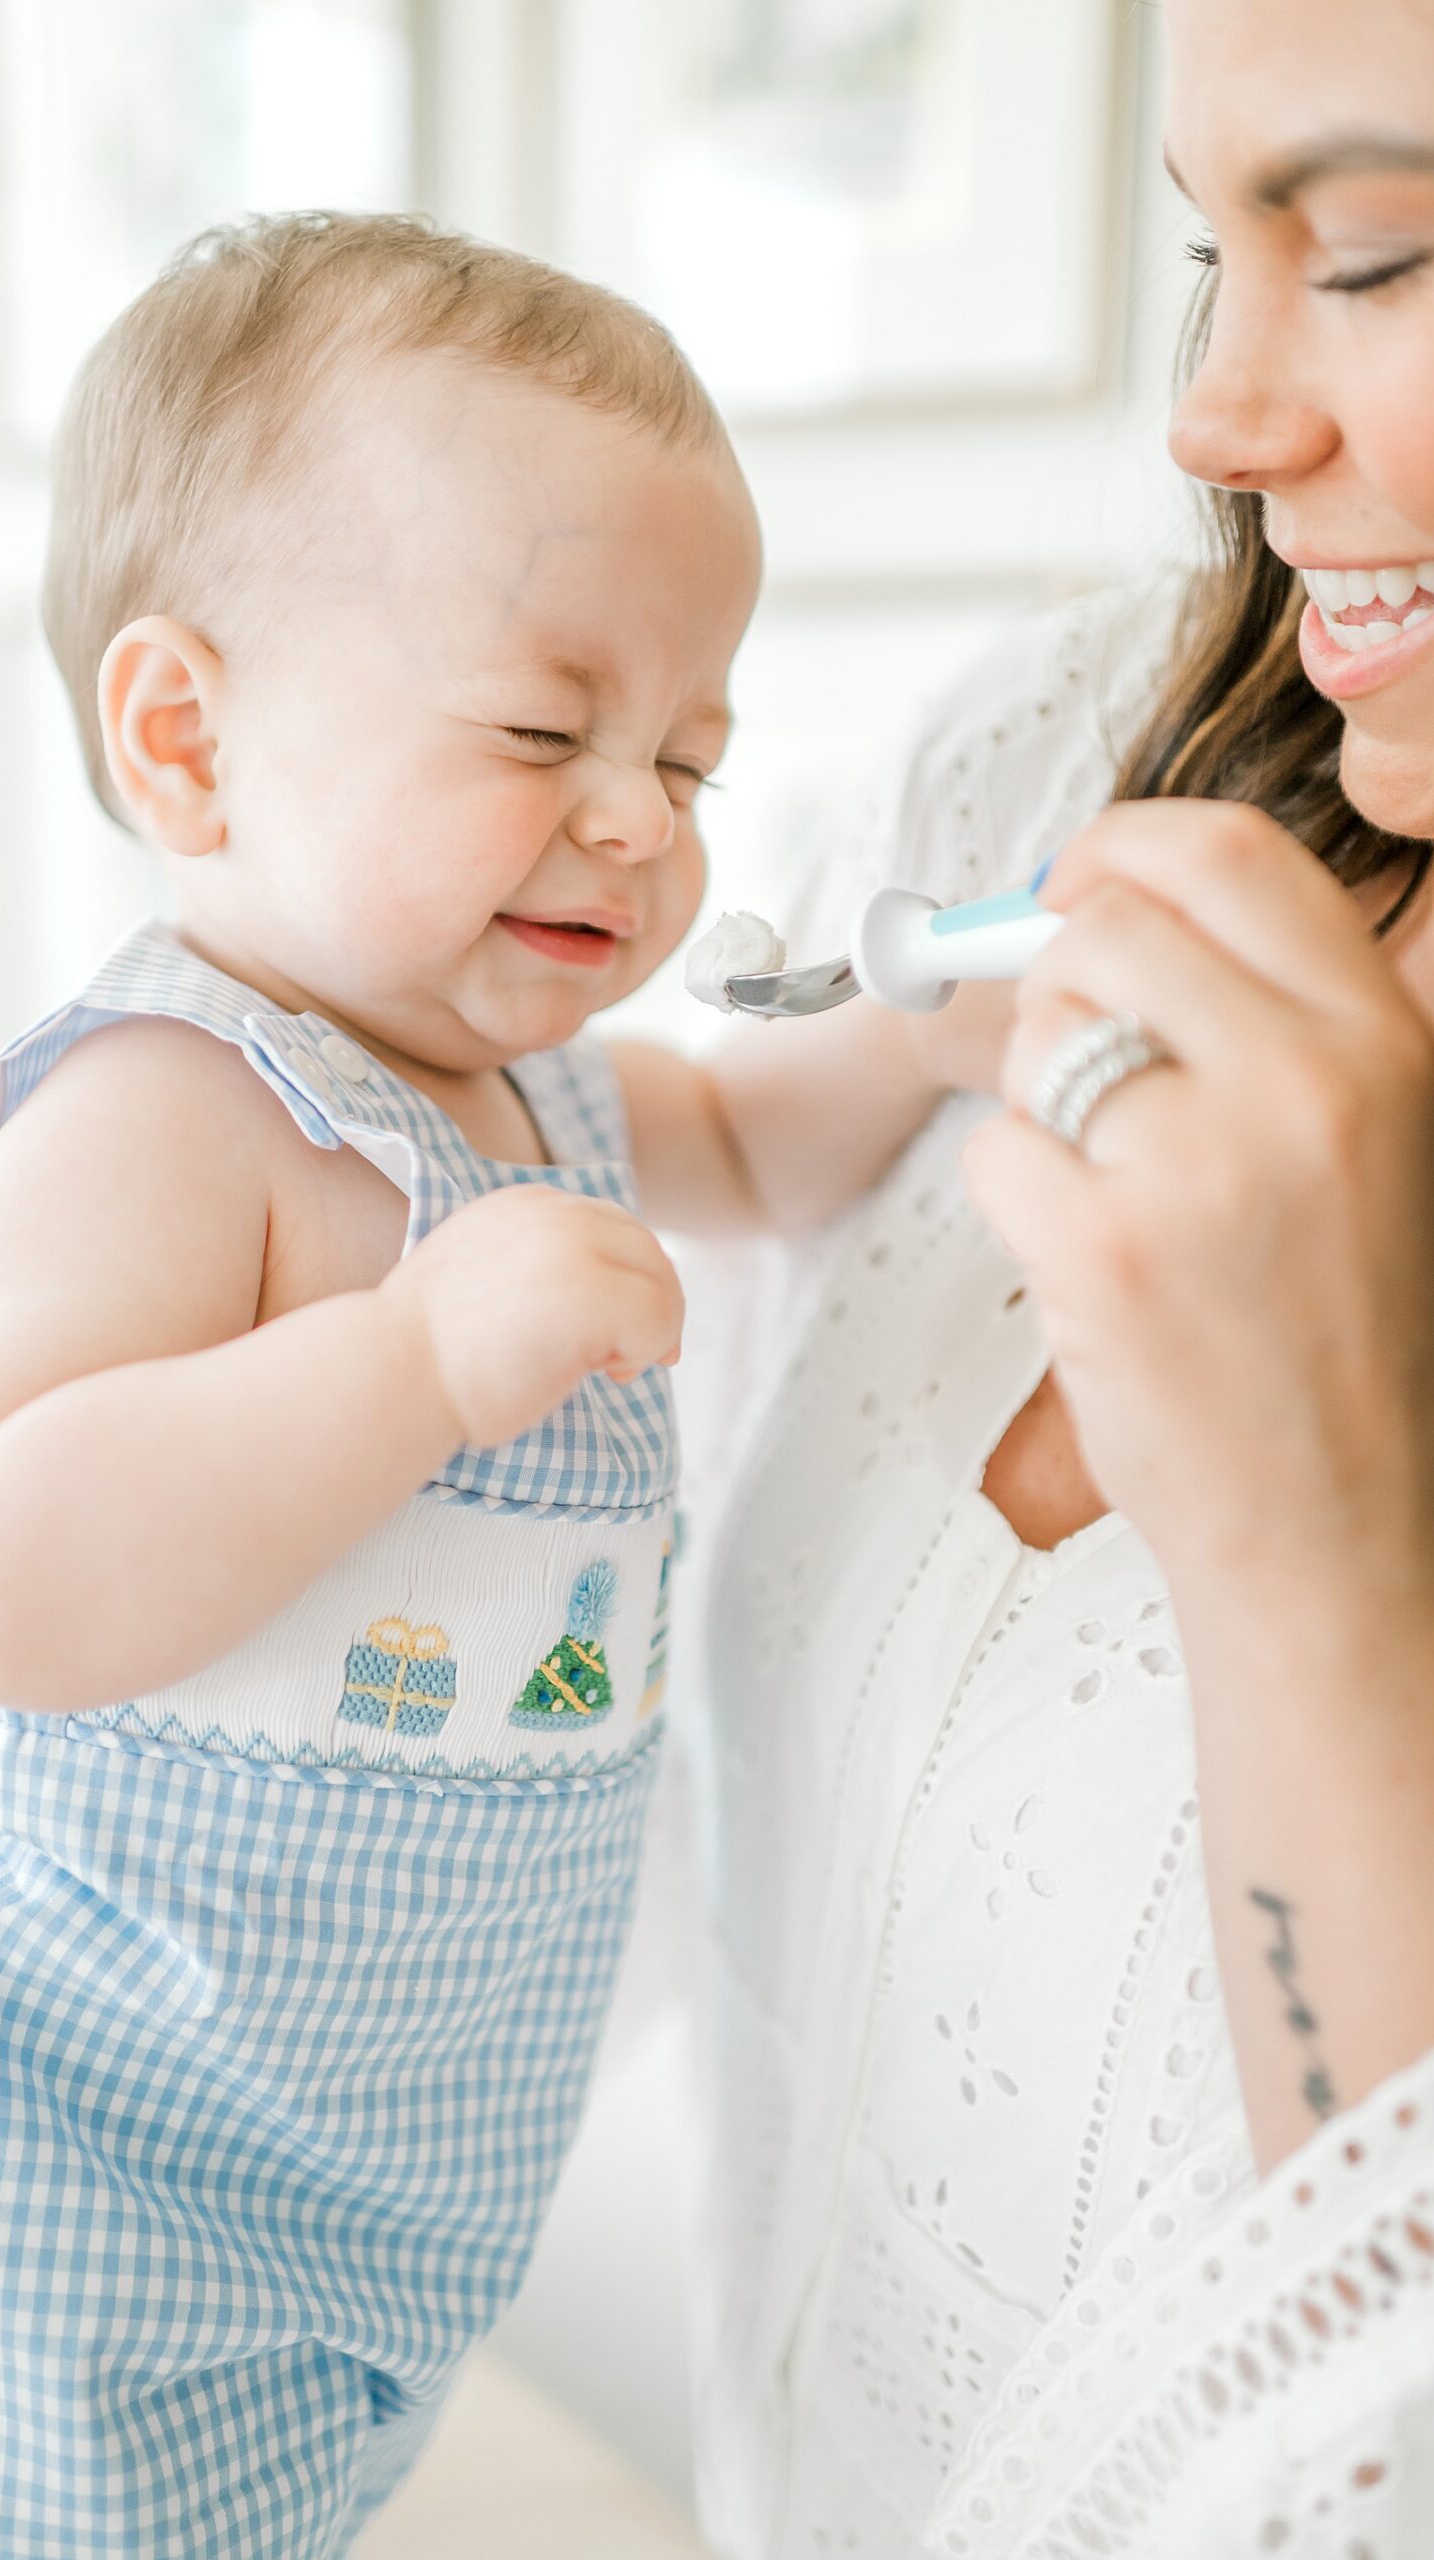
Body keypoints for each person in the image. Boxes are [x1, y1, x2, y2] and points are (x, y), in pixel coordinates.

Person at [0, 212, 996, 2560]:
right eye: (544, 727)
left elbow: (775, 1138)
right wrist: (408, 1354)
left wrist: (945, 1016)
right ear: (187, 733)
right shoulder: (174, 1109)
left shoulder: (567, 1095)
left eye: (684, 752)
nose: (637, 814)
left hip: (342, 2196)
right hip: (42, 2180)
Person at [684, 3, 1434, 2553]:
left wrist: (1319, 1552)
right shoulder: (1067, 748)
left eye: (1379, 251)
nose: (1218, 418)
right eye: (1208, 253)